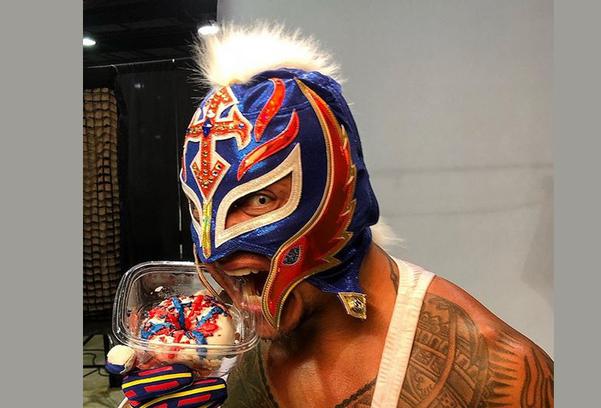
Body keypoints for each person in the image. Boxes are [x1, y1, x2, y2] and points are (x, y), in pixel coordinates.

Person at [108, 24, 553, 408]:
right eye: (196, 206)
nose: (214, 251)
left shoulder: (496, 372)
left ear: (344, 191)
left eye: (260, 200)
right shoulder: (226, 338)